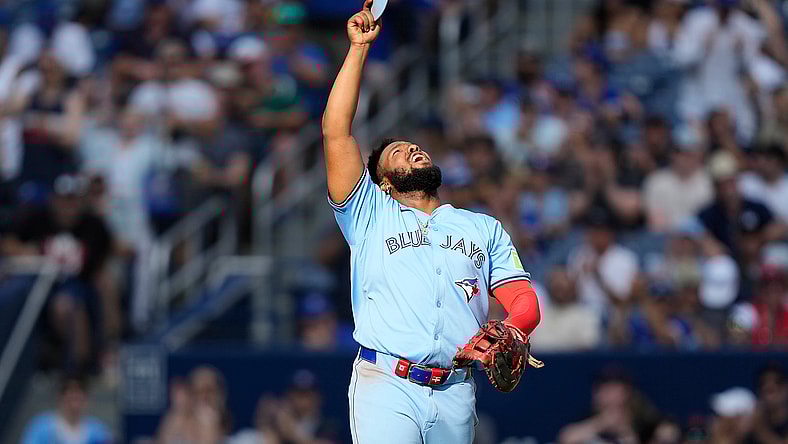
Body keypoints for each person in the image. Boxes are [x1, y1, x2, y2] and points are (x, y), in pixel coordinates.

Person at [321, 2, 541, 443]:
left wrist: (515, 328)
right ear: (382, 182)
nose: (413, 149)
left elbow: (523, 298)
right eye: (398, 151)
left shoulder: (483, 228)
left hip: (456, 392)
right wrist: (359, 49)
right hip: (387, 384)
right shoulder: (369, 213)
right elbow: (336, 130)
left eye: (416, 145)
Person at [21, 374, 112, 444]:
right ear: (60, 397)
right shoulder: (41, 427)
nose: (75, 404)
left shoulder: (98, 431)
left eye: (79, 398)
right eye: (72, 397)